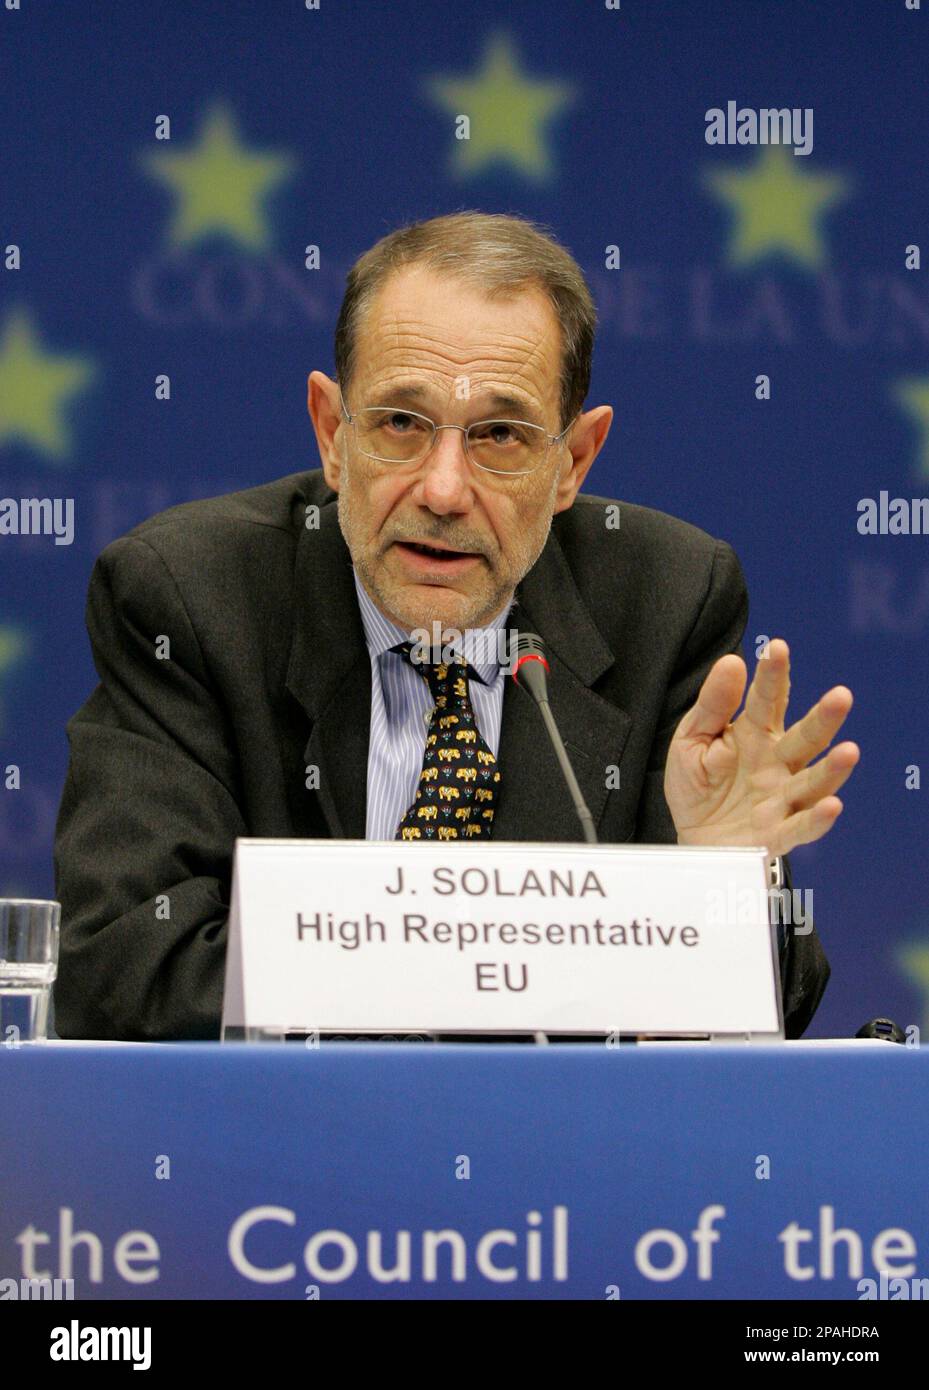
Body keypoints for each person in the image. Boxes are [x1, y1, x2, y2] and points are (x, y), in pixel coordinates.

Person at [53, 211, 858, 1041]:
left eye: (500, 436)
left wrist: (720, 888)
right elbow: (127, 970)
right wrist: (503, 970)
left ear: (572, 462)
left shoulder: (668, 597)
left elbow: (775, 1011)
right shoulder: (188, 597)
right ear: (333, 433)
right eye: (400, 422)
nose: (441, 490)